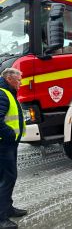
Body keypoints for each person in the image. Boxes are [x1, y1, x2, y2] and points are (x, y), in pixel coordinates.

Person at [0, 68, 27, 229]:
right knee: (6, 179)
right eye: (19, 80)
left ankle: (8, 208)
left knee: (9, 178)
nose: (21, 83)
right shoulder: (2, 93)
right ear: (10, 79)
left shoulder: (7, 92)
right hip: (4, 145)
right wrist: (10, 135)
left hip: (9, 144)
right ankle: (2, 218)